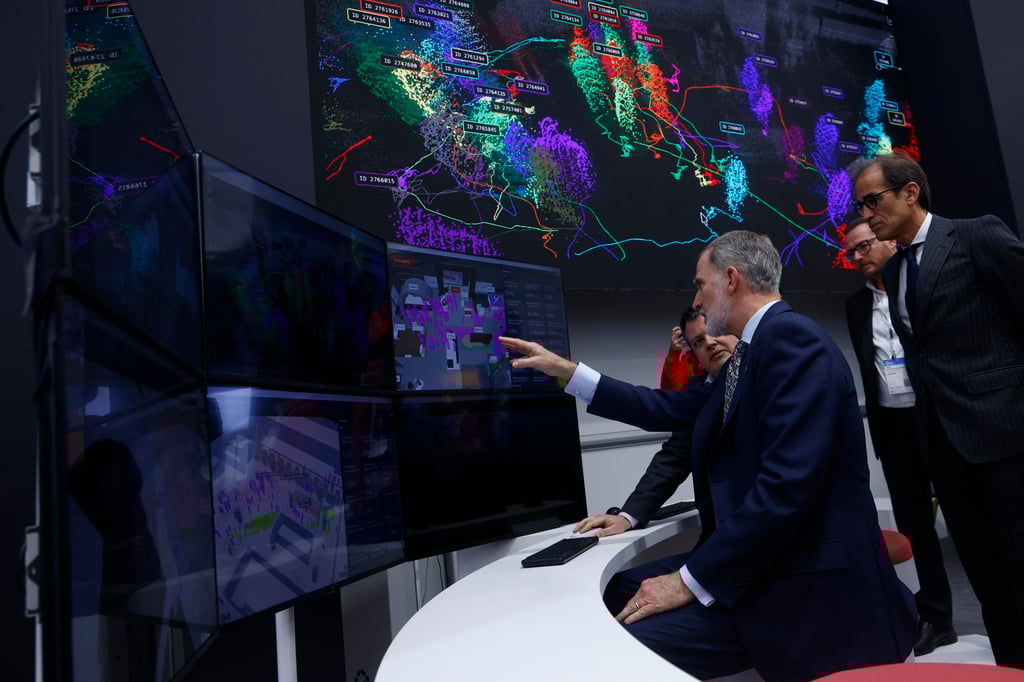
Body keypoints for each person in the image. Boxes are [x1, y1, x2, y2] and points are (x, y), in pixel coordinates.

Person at [500, 230, 915, 681]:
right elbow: (669, 407)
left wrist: (686, 581)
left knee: (628, 644)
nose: (697, 298)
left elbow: (785, 488)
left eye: (701, 284)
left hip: (800, 583)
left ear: (731, 279)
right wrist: (569, 374)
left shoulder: (792, 342)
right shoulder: (755, 351)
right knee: (624, 590)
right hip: (765, 569)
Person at [851, 152, 1024, 667]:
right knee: (984, 572)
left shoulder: (976, 236)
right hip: (945, 449)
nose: (867, 214)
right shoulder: (899, 267)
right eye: (861, 205)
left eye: (873, 200)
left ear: (910, 193)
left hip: (1004, 433)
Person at [844, 215, 957, 656]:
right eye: (851, 251)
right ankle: (936, 617)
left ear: (888, 242)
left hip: (940, 419)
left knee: (968, 519)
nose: (857, 257)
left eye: (864, 245)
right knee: (915, 526)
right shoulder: (855, 306)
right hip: (893, 427)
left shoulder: (921, 285)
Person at [575, 307, 736, 539]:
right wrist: (628, 516)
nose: (710, 342)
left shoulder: (767, 376)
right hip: (720, 543)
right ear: (695, 355)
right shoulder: (700, 394)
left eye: (715, 332)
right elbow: (673, 459)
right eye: (699, 341)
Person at [659, 310, 707, 391]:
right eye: (698, 340)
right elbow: (669, 390)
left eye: (710, 333)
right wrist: (674, 352)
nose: (709, 342)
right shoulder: (689, 362)